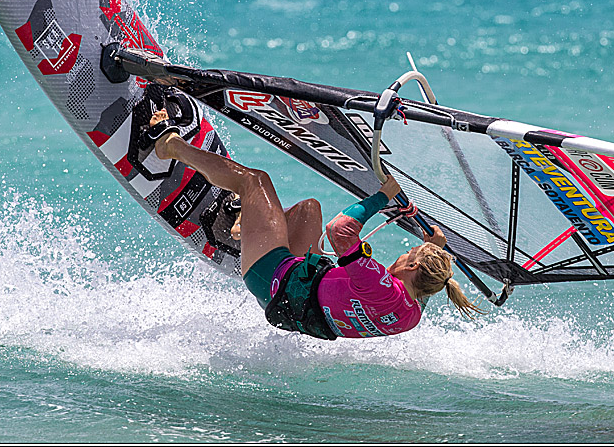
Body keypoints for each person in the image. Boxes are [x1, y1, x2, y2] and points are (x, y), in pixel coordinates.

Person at [146, 107, 484, 339]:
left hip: (273, 281)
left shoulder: (381, 284)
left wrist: (383, 196)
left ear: (411, 266)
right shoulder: (410, 315)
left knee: (255, 182)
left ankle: (169, 146)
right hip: (295, 306)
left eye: (407, 255)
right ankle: (245, 225)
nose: (399, 257)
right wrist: (434, 248)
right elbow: (422, 291)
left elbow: (340, 230)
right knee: (309, 209)